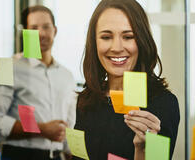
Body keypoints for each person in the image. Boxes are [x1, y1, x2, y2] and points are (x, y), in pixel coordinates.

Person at [73, 0, 180, 160]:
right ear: (94, 43)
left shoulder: (164, 104)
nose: (117, 47)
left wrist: (143, 149)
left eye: (128, 36)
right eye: (106, 37)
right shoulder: (86, 100)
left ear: (142, 41)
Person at [0, 5, 76, 160]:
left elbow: (69, 125)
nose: (41, 33)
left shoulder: (67, 76)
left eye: (46, 27)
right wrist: (43, 130)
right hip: (19, 155)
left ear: (55, 31)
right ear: (25, 33)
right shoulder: (7, 68)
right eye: (34, 28)